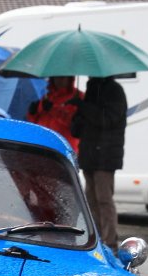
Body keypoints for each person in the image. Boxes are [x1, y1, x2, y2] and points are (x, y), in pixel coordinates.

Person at [71, 75, 126, 241]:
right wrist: (78, 114)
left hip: (105, 156)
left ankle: (110, 241)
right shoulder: (92, 90)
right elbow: (79, 128)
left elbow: (107, 120)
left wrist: (84, 106)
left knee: (103, 200)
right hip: (89, 154)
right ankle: (98, 240)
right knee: (91, 201)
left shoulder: (114, 90)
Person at [27, 76, 83, 154]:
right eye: (56, 77)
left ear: (70, 78)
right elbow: (38, 122)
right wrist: (32, 114)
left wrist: (53, 109)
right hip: (43, 147)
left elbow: (75, 124)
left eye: (63, 77)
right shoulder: (48, 96)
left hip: (64, 150)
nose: (59, 80)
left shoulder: (79, 97)